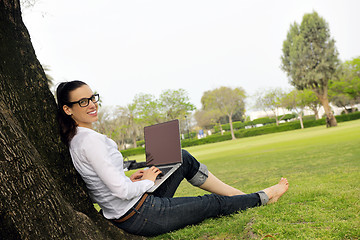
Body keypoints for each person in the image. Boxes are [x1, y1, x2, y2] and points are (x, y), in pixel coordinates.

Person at [56, 80, 289, 237]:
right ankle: (265, 196)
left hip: (134, 206)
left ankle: (240, 197)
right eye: (83, 102)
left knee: (181, 158)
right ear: (68, 109)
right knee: (211, 204)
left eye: (93, 98)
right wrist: (146, 181)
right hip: (139, 214)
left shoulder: (79, 138)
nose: (92, 105)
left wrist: (131, 178)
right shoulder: (90, 141)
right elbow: (120, 192)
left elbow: (105, 182)